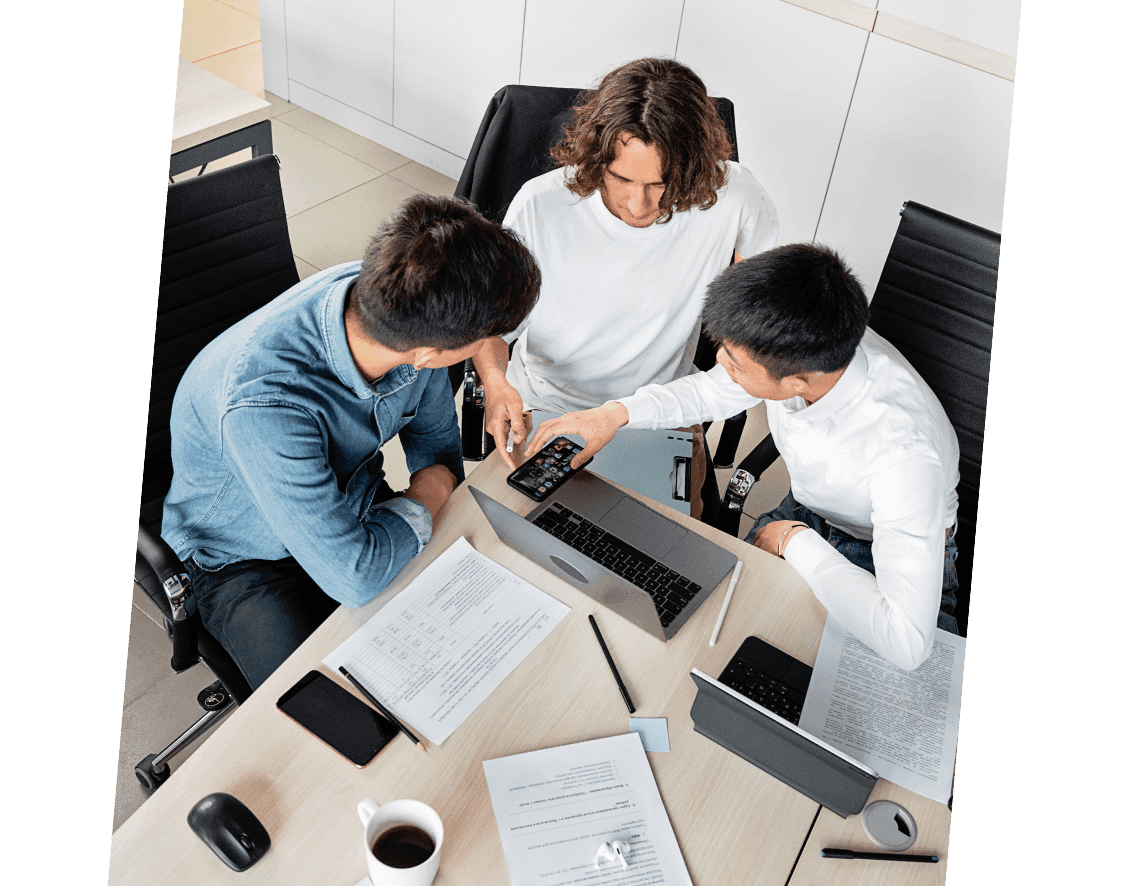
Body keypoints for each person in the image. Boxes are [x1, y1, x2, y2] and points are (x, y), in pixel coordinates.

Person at [162, 195, 542, 689]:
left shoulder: (400, 309)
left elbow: (438, 451)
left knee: (475, 647)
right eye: (484, 343)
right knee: (340, 712)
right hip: (241, 559)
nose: (492, 351)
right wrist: (427, 494)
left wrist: (432, 484)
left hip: (355, 505)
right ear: (429, 355)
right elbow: (357, 574)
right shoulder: (265, 408)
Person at [527, 245, 960, 672]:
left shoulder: (903, 456)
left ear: (795, 383)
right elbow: (710, 391)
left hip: (878, 548)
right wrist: (614, 414)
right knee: (710, 637)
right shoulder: (808, 341)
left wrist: (794, 540)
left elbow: (907, 643)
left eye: (733, 362)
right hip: (812, 510)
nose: (719, 361)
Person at [470, 58, 779, 498]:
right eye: (621, 178)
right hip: (546, 407)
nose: (639, 205)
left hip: (656, 411)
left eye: (662, 182)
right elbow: (491, 329)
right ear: (596, 157)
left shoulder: (739, 198)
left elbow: (755, 347)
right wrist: (496, 382)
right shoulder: (540, 205)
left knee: (647, 556)